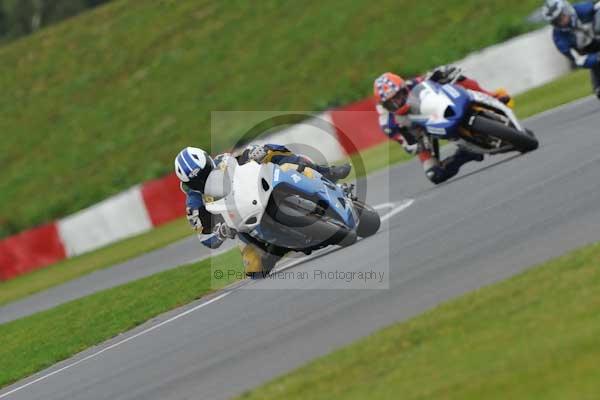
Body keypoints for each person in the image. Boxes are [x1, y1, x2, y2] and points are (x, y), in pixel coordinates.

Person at [174, 145, 351, 275]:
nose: (203, 179)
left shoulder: (223, 160)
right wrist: (220, 232)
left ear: (208, 162)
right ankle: (278, 248)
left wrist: (256, 152)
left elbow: (243, 157)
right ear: (187, 184)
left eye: (204, 172)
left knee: (280, 158)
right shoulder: (194, 205)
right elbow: (205, 238)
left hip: (256, 192)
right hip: (242, 224)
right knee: (255, 269)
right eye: (196, 180)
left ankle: (327, 173)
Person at [373, 65, 511, 184]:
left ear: (404, 87)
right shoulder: (388, 123)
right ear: (385, 105)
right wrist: (415, 144)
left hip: (433, 110)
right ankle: (466, 154)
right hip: (420, 132)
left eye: (400, 95)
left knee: (458, 79)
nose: (399, 102)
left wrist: (442, 73)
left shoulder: (413, 84)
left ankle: (491, 97)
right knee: (435, 174)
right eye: (392, 102)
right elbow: (409, 145)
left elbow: (431, 80)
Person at [542, 0, 600, 99]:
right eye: (557, 21)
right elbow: (579, 60)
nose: (562, 21)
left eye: (562, 16)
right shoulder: (559, 39)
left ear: (567, 8)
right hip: (592, 54)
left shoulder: (582, 9)